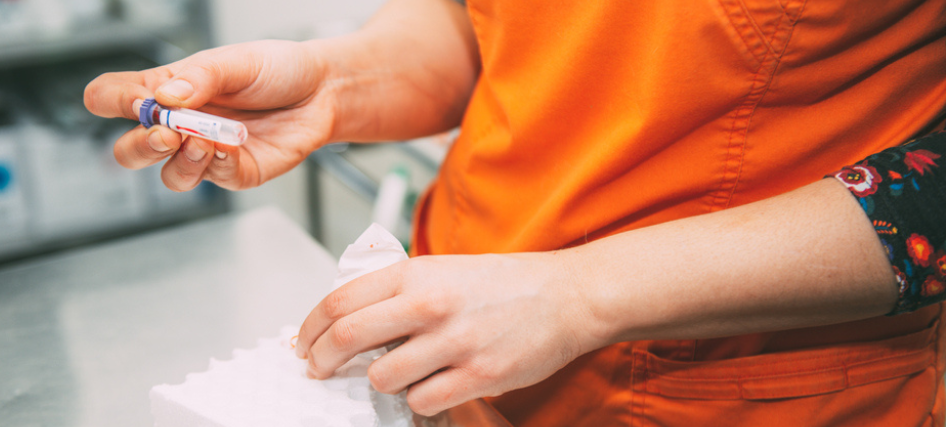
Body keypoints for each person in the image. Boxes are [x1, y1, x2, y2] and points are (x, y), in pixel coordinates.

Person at [84, 0, 946, 425]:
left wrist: (582, 294)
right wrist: (337, 83)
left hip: (721, 388)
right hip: (457, 359)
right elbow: (493, 24)